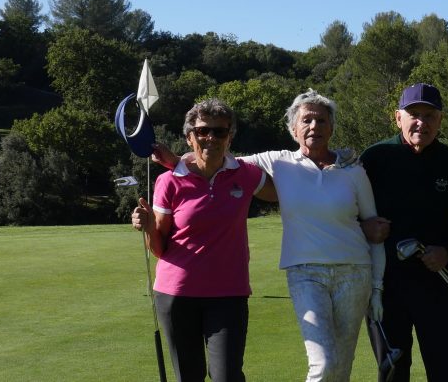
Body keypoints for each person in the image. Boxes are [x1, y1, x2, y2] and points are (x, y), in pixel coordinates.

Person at [139, 90, 388, 382]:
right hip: (195, 288)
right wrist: (175, 163)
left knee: (333, 369)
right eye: (306, 120)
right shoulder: (273, 163)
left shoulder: (347, 169)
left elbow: (367, 222)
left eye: (219, 132)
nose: (211, 137)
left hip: (332, 274)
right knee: (321, 364)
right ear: (293, 128)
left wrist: (375, 272)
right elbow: (212, 162)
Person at [131, 98, 273, 382]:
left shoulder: (245, 174)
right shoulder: (169, 181)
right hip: (177, 294)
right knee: (189, 377)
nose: (211, 138)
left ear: (229, 137)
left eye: (219, 132)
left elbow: (289, 193)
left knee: (227, 376)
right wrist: (148, 228)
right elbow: (160, 247)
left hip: (228, 295)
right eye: (202, 131)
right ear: (189, 137)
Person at [358, 82, 448, 382]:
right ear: (398, 117)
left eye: (429, 115)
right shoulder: (375, 158)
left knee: (447, 371)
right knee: (392, 371)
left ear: (440, 120)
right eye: (413, 114)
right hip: (384, 284)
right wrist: (364, 228)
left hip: (439, 283)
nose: (421, 122)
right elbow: (346, 213)